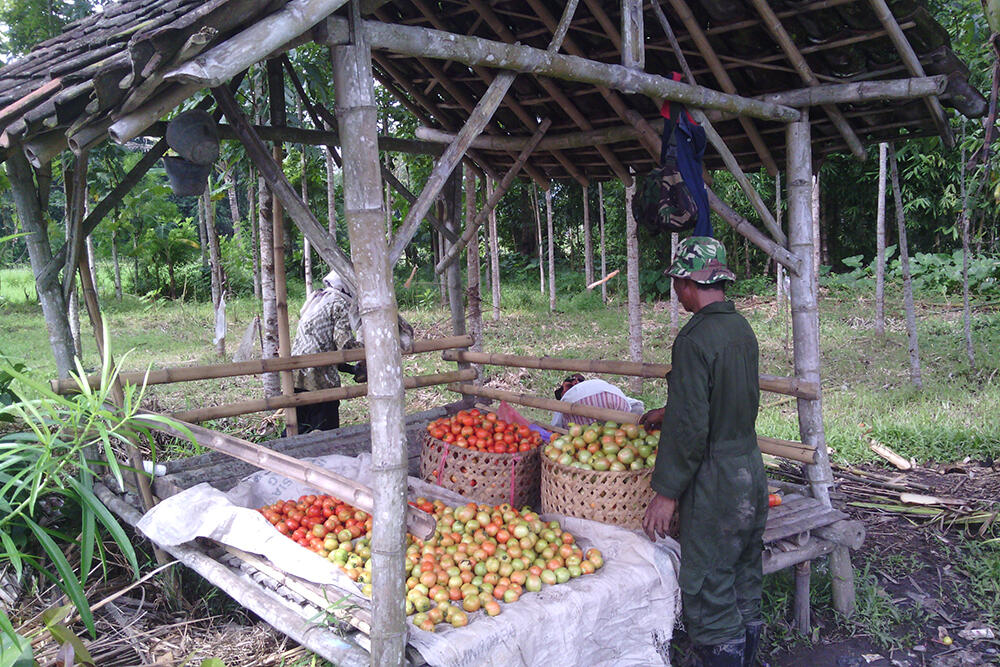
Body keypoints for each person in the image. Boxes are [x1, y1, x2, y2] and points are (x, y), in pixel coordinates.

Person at [640, 237, 767, 667]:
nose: (676, 292)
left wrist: (666, 491)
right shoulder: (740, 329)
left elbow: (692, 428)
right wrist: (667, 408)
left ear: (689, 282)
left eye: (677, 282)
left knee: (709, 582)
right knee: (743, 573)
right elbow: (725, 396)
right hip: (748, 468)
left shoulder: (693, 339)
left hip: (715, 480)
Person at [290, 269, 366, 433]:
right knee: (325, 429)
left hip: (297, 373)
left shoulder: (318, 299)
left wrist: (352, 369)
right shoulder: (339, 303)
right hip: (318, 376)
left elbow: (323, 344)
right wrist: (367, 349)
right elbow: (344, 345)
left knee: (301, 425)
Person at [551, 374, 644, 429]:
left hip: (583, 405)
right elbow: (638, 406)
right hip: (616, 397)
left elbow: (555, 427)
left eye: (564, 388)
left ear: (575, 383)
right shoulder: (598, 385)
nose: (563, 392)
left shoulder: (569, 397)